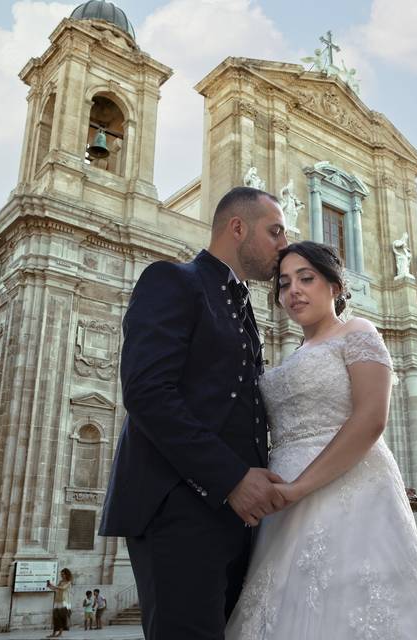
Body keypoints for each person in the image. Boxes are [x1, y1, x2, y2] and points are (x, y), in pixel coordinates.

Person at [225, 241, 417, 638]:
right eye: (285, 283)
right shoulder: (293, 353)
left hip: (348, 491)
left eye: (306, 278)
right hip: (283, 507)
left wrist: (299, 487)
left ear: (335, 286)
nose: (294, 291)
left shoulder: (357, 332)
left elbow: (371, 419)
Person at [98, 187, 290, 639]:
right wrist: (233, 478)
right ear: (237, 227)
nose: (284, 245)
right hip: (177, 509)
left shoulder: (242, 306)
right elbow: (147, 393)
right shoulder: (173, 280)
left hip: (232, 517)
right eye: (275, 231)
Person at [45, 568, 72, 638]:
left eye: (63, 574)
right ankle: (54, 633)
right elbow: (56, 589)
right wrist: (50, 586)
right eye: (61, 574)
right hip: (57, 601)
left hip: (64, 602)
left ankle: (60, 633)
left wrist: (54, 586)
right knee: (55, 617)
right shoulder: (60, 582)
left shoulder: (68, 582)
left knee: (61, 618)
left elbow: (63, 588)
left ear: (66, 574)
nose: (62, 575)